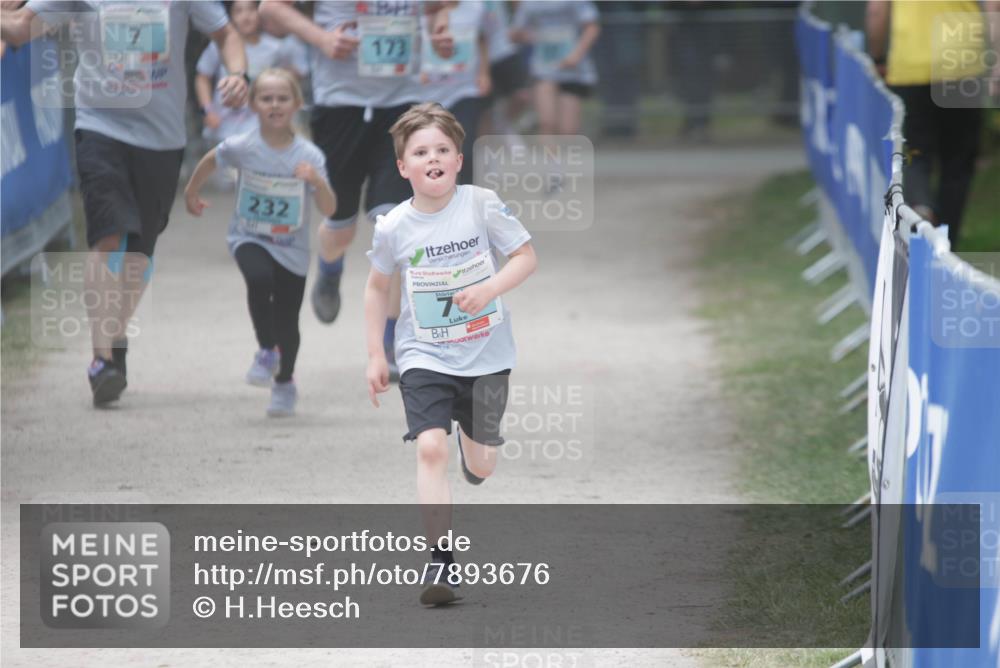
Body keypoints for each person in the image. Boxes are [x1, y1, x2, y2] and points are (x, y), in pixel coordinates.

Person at [1, 0, 248, 406]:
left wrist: (239, 74)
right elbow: (21, 28)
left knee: (140, 251)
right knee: (108, 234)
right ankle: (102, 362)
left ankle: (115, 338)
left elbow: (227, 34)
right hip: (100, 123)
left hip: (162, 138)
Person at [364, 103, 537, 605]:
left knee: (481, 466)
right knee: (430, 448)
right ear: (403, 167)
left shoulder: (482, 204)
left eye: (442, 149)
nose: (432, 158)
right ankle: (441, 564)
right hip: (425, 355)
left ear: (459, 160)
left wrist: (487, 291)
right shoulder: (393, 226)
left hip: (487, 353)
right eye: (420, 152)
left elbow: (526, 257)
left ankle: (473, 450)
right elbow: (377, 289)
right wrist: (375, 353)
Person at [259, 0, 454, 383]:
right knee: (340, 228)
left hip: (402, 108)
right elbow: (269, 9)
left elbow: (442, 6)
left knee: (396, 225)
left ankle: (392, 341)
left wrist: (440, 28)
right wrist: (321, 38)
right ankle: (330, 270)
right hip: (340, 108)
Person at [184, 69, 336, 417]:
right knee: (258, 277)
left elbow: (329, 208)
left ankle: (284, 382)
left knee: (288, 321)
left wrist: (316, 182)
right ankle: (267, 350)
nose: (274, 105)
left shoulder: (309, 156)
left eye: (283, 98)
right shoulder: (243, 145)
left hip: (291, 249)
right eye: (266, 98)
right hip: (248, 236)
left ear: (297, 104)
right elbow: (211, 159)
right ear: (252, 105)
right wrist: (192, 192)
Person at [866, 0, 1000, 249]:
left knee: (914, 151)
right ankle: (947, 243)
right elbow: (994, 7)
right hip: (962, 65)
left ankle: (922, 209)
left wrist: (876, 57)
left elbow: (877, 10)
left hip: (910, 67)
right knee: (958, 162)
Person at [195, 1, 306, 148]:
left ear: (260, 13)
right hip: (224, 127)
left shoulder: (276, 48)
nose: (245, 17)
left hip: (260, 127)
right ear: (229, 17)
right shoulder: (219, 46)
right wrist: (207, 110)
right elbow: (202, 77)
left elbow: (292, 76)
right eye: (238, 11)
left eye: (250, 10)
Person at [416, 0, 491, 185]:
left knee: (465, 142)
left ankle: (466, 193)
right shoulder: (421, 7)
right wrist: (417, 71)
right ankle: (436, 192)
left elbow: (481, 40)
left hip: (464, 89)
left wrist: (484, 73)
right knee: (432, 147)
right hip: (428, 92)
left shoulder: (476, 7)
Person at [510, 0, 600, 136]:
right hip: (543, 66)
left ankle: (565, 156)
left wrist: (576, 55)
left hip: (572, 70)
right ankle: (549, 156)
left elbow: (592, 27)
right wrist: (528, 36)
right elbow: (517, 32)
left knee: (568, 130)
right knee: (547, 122)